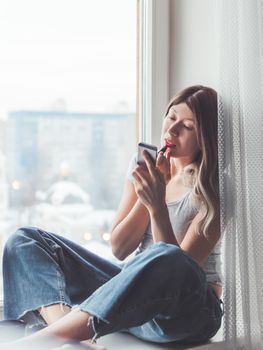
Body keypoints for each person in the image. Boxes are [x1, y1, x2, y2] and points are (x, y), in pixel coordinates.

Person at [1, 85, 224, 349]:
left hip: (185, 315)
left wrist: (157, 205)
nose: (172, 130)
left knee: (170, 259)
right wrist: (147, 193)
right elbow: (120, 249)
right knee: (24, 240)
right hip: (132, 303)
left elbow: (178, 275)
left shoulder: (214, 188)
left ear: (205, 137)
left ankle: (42, 341)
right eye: (171, 117)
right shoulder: (145, 164)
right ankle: (74, 338)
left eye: (187, 126)